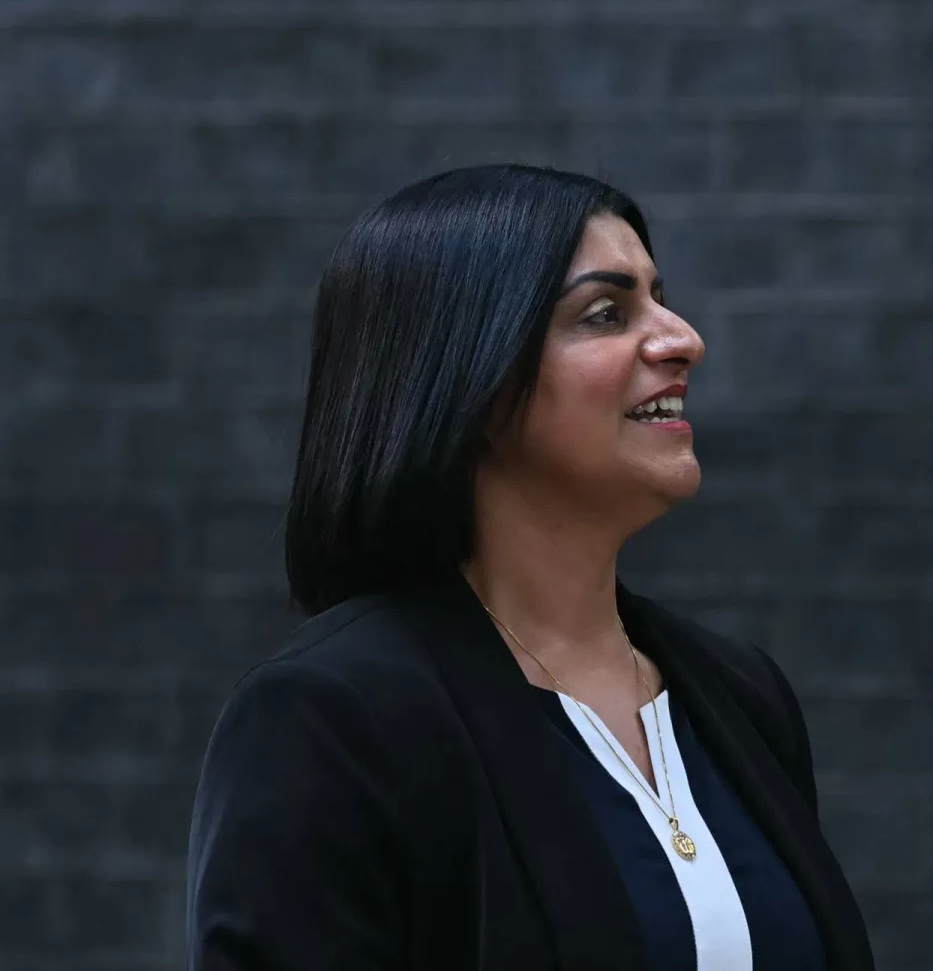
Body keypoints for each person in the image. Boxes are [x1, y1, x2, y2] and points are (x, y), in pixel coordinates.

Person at [185, 164, 874, 970]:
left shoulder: (740, 697)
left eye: (659, 297)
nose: (682, 338)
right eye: (606, 312)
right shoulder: (333, 719)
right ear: (468, 377)